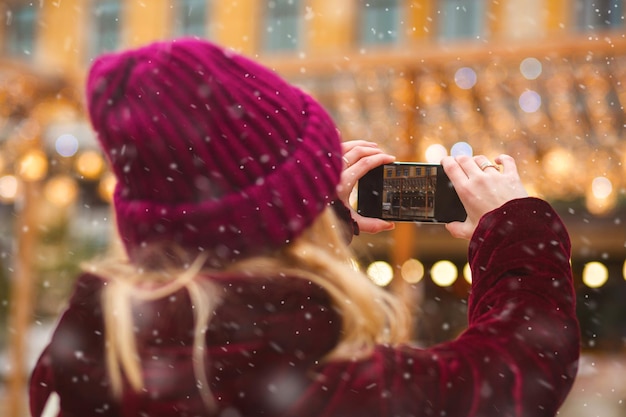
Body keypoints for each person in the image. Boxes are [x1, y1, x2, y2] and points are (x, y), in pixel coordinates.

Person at [29, 38, 579, 417]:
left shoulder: (82, 357)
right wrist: (518, 233)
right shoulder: (316, 387)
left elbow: (222, 275)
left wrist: (310, 218)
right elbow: (513, 374)